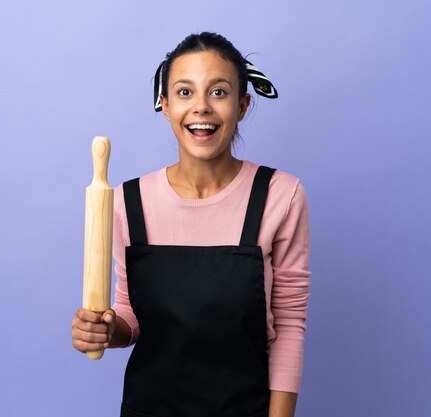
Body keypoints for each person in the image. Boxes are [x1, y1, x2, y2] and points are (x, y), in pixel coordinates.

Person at [71, 32, 310, 417]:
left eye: (218, 92)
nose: (201, 107)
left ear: (243, 104)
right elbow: (131, 317)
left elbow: (288, 326)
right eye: (185, 92)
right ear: (164, 105)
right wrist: (106, 329)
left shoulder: (280, 195)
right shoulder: (126, 203)